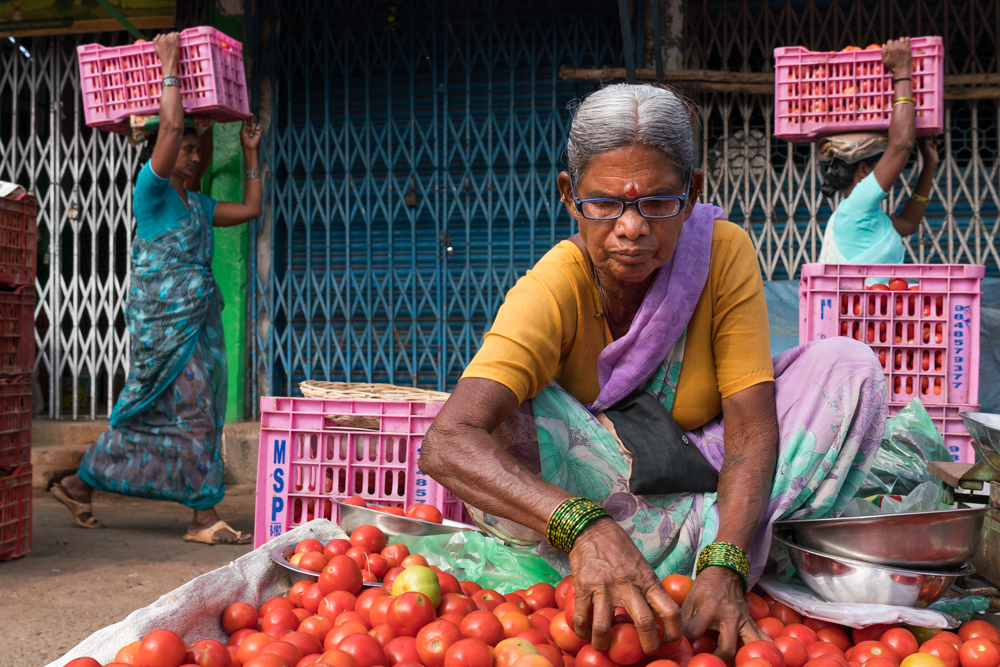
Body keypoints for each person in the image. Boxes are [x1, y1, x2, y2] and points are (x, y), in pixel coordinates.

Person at [419, 84, 888, 661]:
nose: (631, 228)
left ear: (691, 195)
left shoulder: (720, 254)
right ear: (570, 196)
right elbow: (445, 443)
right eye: (606, 203)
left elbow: (750, 430)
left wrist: (726, 564)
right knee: (502, 420)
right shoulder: (554, 285)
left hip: (709, 485)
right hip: (602, 492)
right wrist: (584, 525)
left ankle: (727, 548)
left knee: (849, 369)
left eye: (656, 203)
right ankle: (686, 547)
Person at [50, 33, 262, 545]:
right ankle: (201, 516)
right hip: (165, 331)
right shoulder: (152, 191)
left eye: (196, 150)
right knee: (191, 413)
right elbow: (169, 125)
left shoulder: (200, 206)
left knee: (185, 413)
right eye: (185, 149)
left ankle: (79, 484)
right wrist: (170, 66)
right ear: (164, 154)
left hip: (198, 327)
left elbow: (252, 210)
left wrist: (251, 152)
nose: (192, 156)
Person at [819, 37, 940, 264]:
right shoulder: (855, 208)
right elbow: (901, 145)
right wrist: (903, 72)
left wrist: (929, 164)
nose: (892, 169)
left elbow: (908, 224)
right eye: (882, 161)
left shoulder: (863, 215)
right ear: (864, 169)